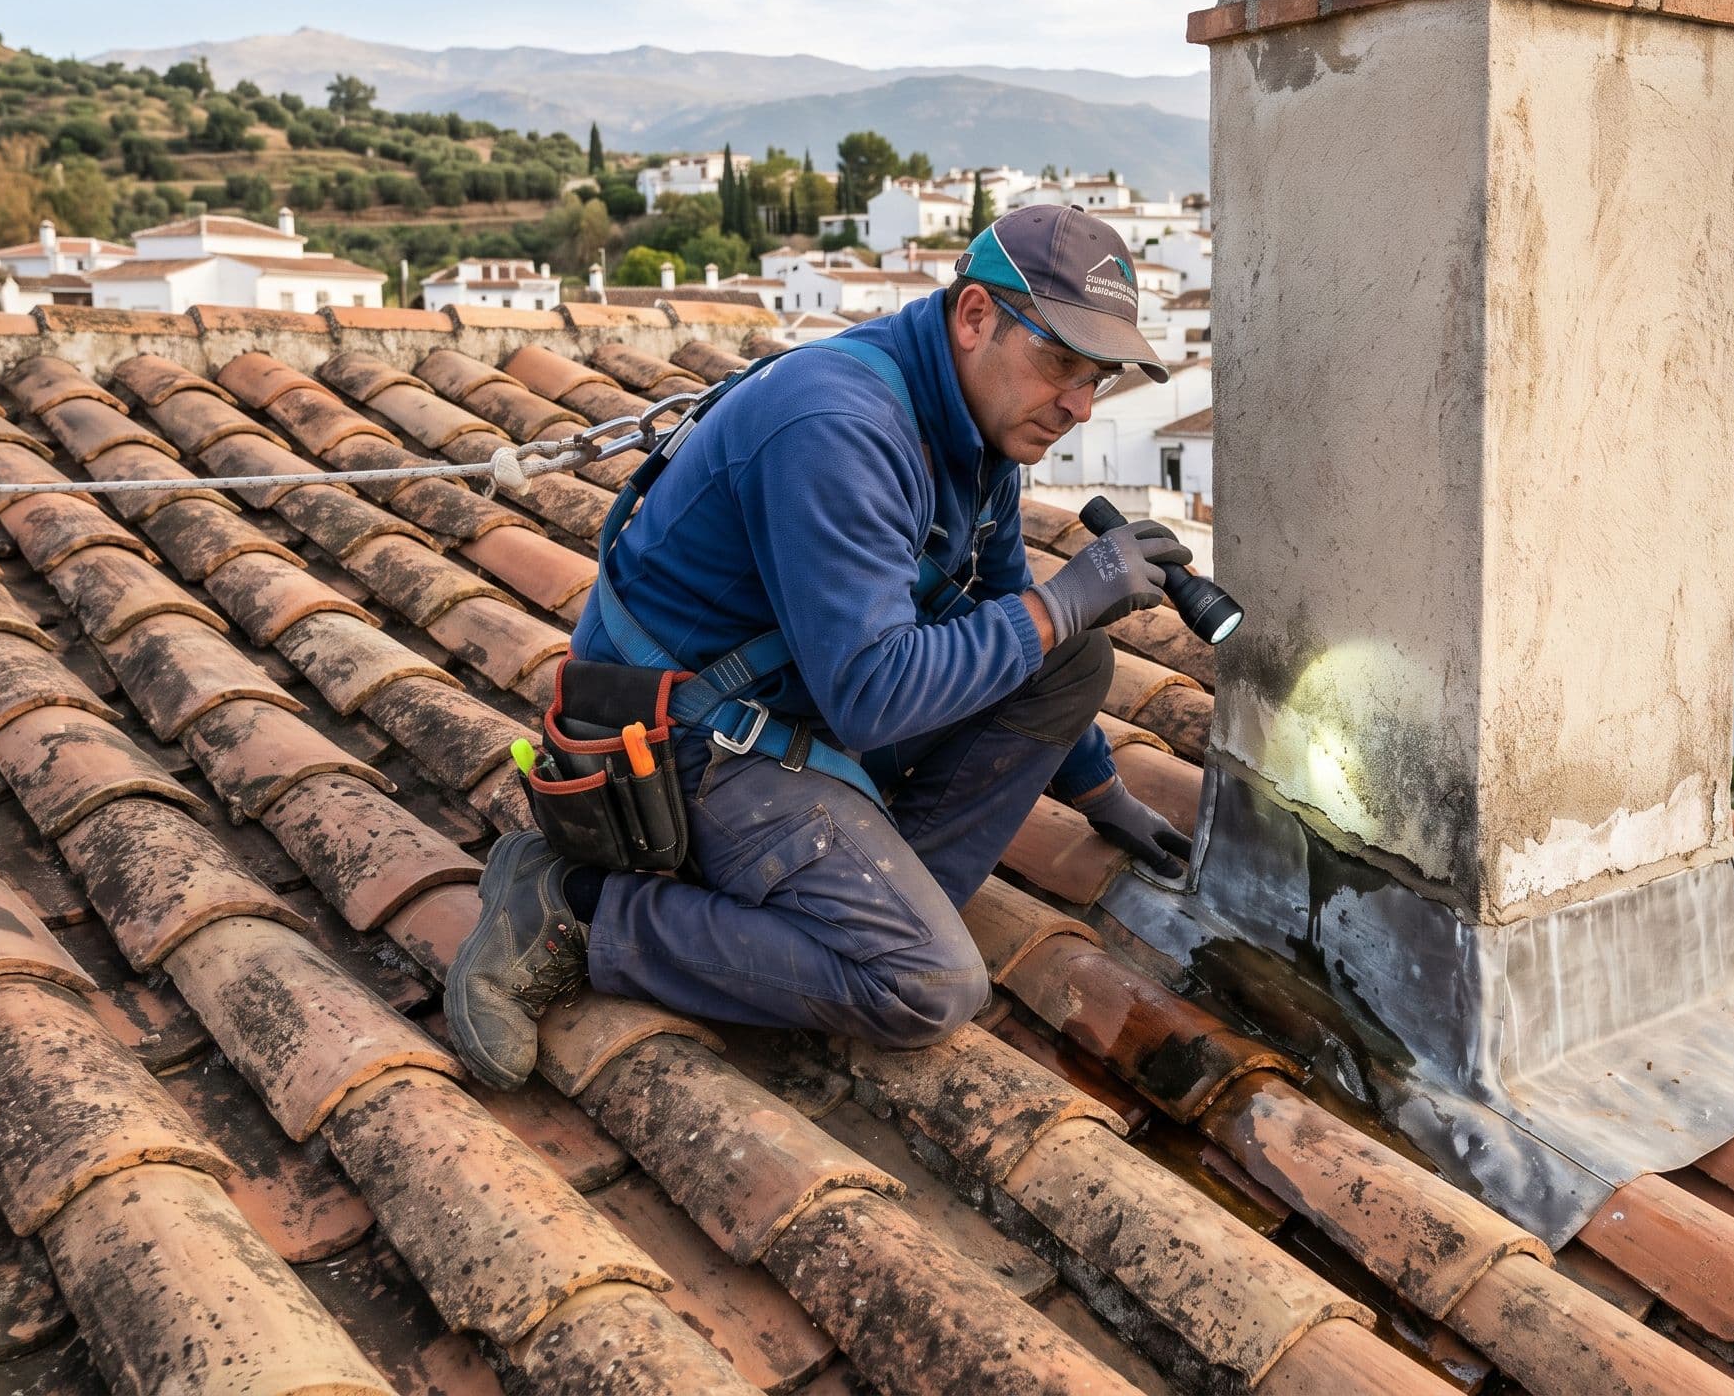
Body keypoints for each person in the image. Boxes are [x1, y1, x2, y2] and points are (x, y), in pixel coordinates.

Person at [444, 205, 1198, 1088]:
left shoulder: (979, 425)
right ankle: (575, 908)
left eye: (1097, 377)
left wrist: (1102, 794)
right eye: (1059, 361)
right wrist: (1066, 599)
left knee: (1071, 658)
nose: (1077, 404)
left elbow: (1003, 609)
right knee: (926, 982)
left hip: (796, 700)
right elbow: (874, 694)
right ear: (975, 317)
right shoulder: (838, 423)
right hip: (683, 739)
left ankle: (858, 892)